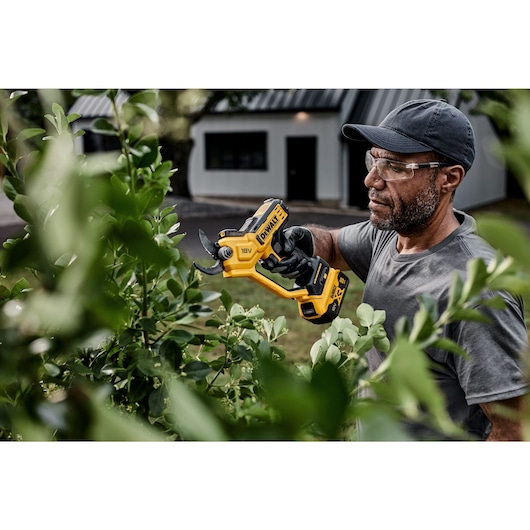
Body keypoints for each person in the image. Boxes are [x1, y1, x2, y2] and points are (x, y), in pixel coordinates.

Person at [265, 99, 529, 441]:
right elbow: (332, 244)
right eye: (373, 160)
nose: (371, 180)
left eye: (395, 166)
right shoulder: (389, 234)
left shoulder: (475, 291)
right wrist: (302, 241)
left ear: (449, 178)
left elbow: (514, 431)